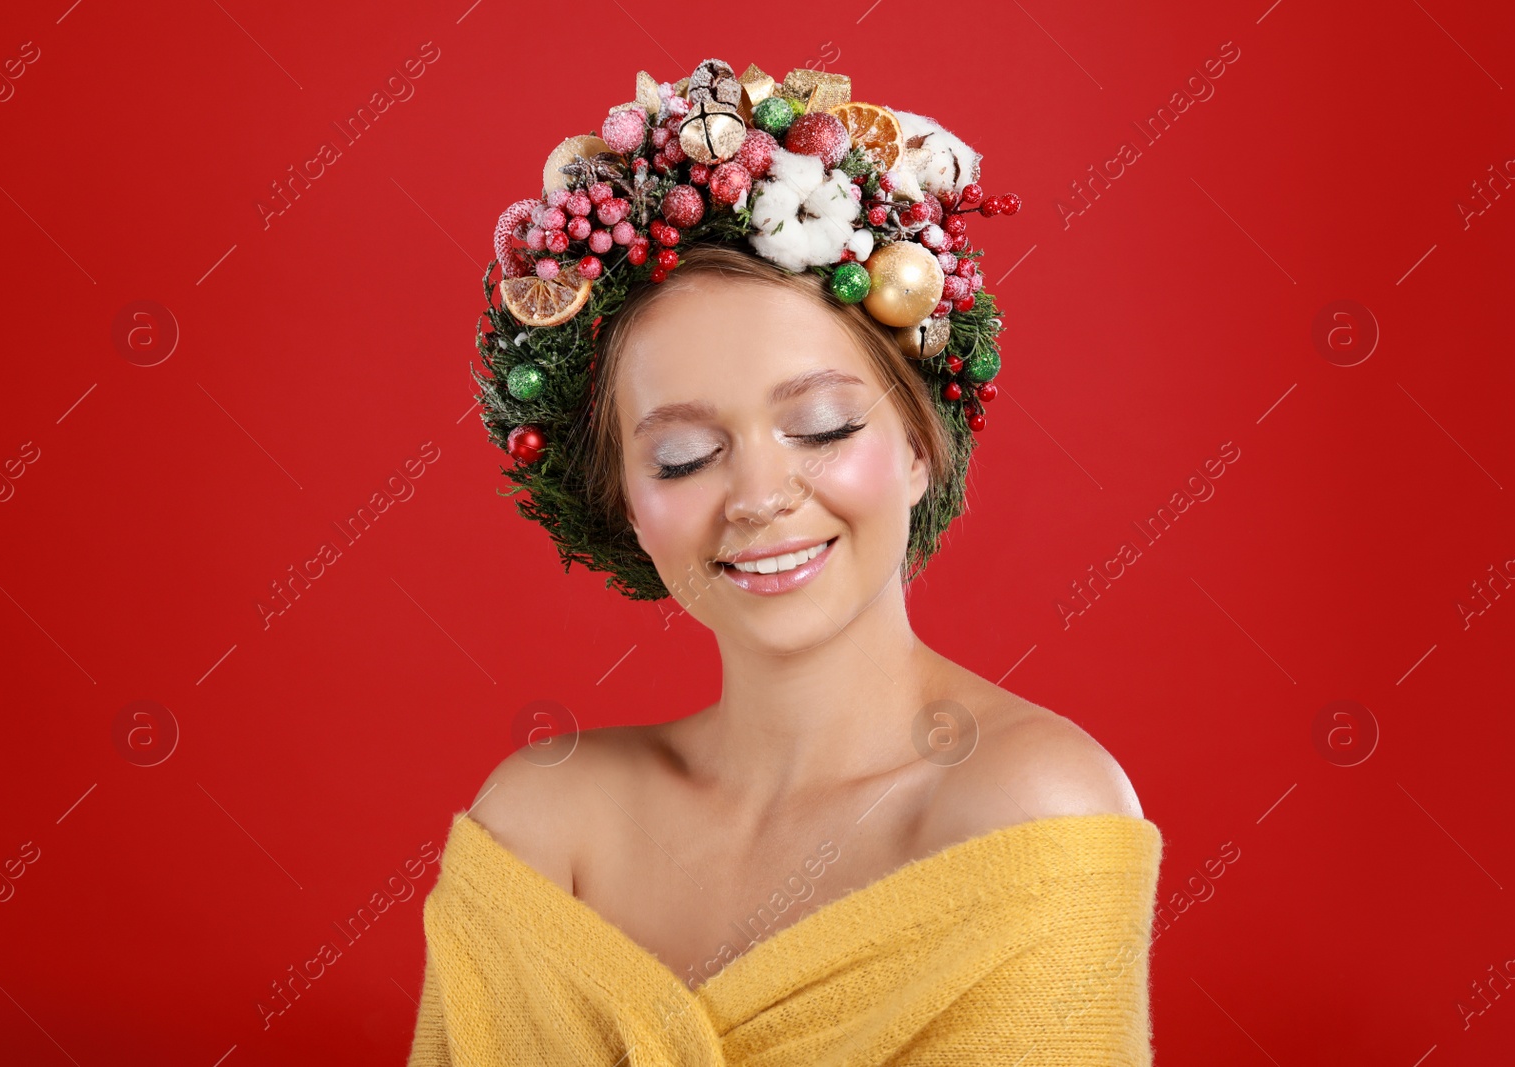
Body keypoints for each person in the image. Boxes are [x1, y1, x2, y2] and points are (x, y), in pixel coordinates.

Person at [409, 59, 1163, 1066]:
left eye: (819, 426)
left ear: (915, 445)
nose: (759, 496)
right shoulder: (544, 825)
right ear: (622, 501)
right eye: (683, 455)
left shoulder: (1029, 805)